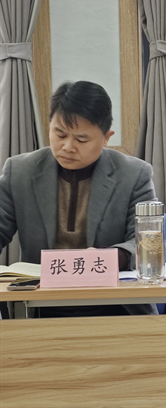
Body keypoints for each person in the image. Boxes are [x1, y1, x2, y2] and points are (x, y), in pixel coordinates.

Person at [0, 81, 157, 316]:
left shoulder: (134, 174)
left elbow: (146, 242)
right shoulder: (20, 171)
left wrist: (111, 256)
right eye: (59, 134)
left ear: (106, 137)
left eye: (81, 140)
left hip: (114, 305)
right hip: (40, 305)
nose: (67, 147)